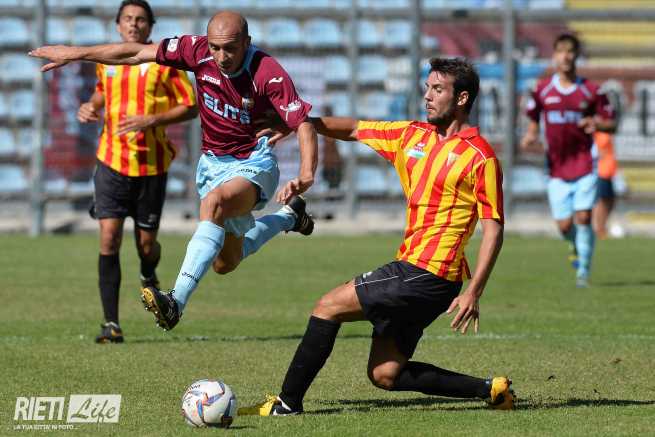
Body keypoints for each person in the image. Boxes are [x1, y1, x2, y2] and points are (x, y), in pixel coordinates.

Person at [241, 58, 514, 416]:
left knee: (327, 307)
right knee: (385, 374)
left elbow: (493, 228)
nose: (427, 96)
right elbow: (355, 128)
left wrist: (474, 291)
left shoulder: (480, 157)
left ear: (462, 98)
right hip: (423, 275)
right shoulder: (412, 135)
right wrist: (299, 124)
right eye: (427, 88)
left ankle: (287, 403)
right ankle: (492, 390)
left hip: (429, 271)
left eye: (438, 89)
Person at [31, 10, 319, 332]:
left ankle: (175, 302)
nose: (221, 56)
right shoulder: (195, 51)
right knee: (225, 262)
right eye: (215, 47)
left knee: (213, 203)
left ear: (247, 42)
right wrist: (74, 53)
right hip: (213, 165)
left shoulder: (268, 72)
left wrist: (306, 173)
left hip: (253, 162)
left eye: (230, 48)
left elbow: (303, 123)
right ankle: (289, 217)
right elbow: (134, 53)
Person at [74, 0, 197, 343]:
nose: (133, 24)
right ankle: (111, 324)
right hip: (111, 162)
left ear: (150, 26)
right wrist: (90, 106)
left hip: (151, 166)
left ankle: (147, 270)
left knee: (146, 245)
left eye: (140, 20)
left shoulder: (165, 63)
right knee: (109, 238)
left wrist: (151, 119)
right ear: (118, 25)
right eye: (127, 19)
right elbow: (101, 93)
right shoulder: (107, 60)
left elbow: (191, 106)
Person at [520, 33, 615, 288]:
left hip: (585, 162)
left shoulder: (591, 90)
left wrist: (596, 123)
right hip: (556, 166)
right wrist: (531, 134)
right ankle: (574, 244)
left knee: (583, 217)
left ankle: (583, 270)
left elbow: (611, 122)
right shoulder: (542, 89)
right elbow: (533, 117)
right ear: (554, 55)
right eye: (561, 51)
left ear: (576, 56)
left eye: (570, 51)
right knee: (564, 226)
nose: (565, 56)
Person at [592, 131, 618, 239]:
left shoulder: (606, 131)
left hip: (609, 171)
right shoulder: (596, 132)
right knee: (601, 201)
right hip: (601, 171)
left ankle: (602, 226)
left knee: (610, 200)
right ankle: (599, 228)